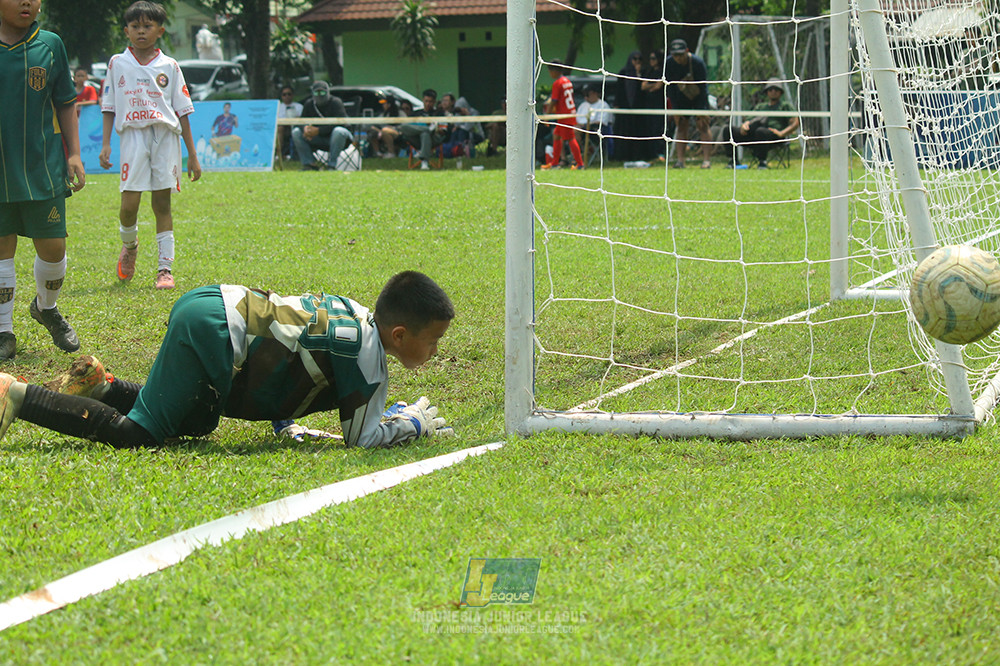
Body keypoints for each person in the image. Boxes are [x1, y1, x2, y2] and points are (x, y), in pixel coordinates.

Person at [0, 271, 456, 449]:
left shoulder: (357, 315)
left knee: (197, 419)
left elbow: (298, 370)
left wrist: (289, 422)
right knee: (137, 435)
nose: (435, 351)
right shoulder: (368, 358)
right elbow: (361, 439)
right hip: (216, 331)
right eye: (433, 340)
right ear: (400, 334)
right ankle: (17, 395)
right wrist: (413, 422)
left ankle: (103, 385)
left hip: (213, 305)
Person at [0, 0, 86, 361]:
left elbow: (65, 101)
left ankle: (46, 307)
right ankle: (4, 331)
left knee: (53, 250)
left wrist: (74, 153)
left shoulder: (51, 44)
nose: (27, 2)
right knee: (2, 251)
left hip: (42, 167)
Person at [99, 1, 202, 292]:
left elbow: (182, 112)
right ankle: (130, 247)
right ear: (126, 31)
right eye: (135, 26)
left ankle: (164, 269)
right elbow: (108, 106)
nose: (141, 31)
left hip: (165, 138)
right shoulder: (117, 63)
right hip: (132, 137)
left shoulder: (170, 66)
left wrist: (192, 155)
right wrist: (106, 143)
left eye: (147, 26)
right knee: (129, 206)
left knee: (161, 204)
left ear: (160, 30)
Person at [720, 78, 800, 169]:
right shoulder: (760, 106)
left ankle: (762, 162)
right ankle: (733, 161)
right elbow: (749, 120)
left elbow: (795, 123)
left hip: (773, 135)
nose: (773, 91)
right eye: (770, 89)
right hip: (754, 134)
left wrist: (782, 133)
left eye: (776, 89)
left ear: (780, 92)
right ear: (767, 92)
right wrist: (744, 125)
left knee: (761, 131)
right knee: (728, 129)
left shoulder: (785, 106)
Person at [664, 38, 713, 169]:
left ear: (687, 51)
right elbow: (670, 87)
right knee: (681, 126)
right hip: (680, 98)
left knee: (703, 125)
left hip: (698, 97)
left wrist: (702, 110)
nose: (678, 58)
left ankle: (706, 160)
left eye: (680, 54)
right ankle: (681, 161)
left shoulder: (697, 63)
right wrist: (675, 109)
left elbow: (703, 87)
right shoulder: (669, 64)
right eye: (675, 55)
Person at [290, 80, 354, 171]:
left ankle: (331, 165)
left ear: (328, 92)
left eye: (323, 92)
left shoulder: (336, 102)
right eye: (316, 92)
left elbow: (341, 123)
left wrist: (318, 130)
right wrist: (305, 129)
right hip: (317, 138)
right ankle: (309, 164)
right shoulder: (309, 104)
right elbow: (301, 121)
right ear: (312, 93)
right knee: (296, 132)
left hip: (339, 138)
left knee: (338, 131)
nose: (320, 95)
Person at [540, 60, 583, 170]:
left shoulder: (557, 83)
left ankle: (580, 164)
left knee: (570, 138)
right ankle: (554, 164)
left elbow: (554, 101)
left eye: (550, 71)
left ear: (554, 71)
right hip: (570, 113)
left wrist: (547, 116)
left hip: (564, 115)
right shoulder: (567, 81)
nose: (550, 74)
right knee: (556, 135)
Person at [398, 88, 446, 170]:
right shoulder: (415, 113)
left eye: (430, 102)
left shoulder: (439, 114)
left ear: (434, 102)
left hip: (433, 139)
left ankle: (424, 161)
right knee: (403, 127)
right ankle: (428, 129)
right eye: (426, 101)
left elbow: (443, 132)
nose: (428, 104)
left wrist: (433, 126)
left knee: (425, 134)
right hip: (416, 139)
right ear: (423, 100)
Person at [614, 51, 649, 162]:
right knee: (624, 131)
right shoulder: (623, 72)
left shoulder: (644, 72)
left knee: (638, 132)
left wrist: (638, 74)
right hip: (625, 108)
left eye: (640, 59)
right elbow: (619, 91)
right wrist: (616, 105)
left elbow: (643, 90)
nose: (637, 62)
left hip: (638, 108)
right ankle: (623, 156)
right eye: (635, 59)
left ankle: (638, 155)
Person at [575, 85, 615, 161]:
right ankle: (577, 154)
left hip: (596, 130)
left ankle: (579, 156)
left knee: (575, 132)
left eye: (587, 95)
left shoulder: (603, 105)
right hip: (582, 128)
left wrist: (586, 125)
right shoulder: (583, 105)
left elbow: (602, 122)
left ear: (595, 93)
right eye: (584, 95)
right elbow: (577, 119)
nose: (585, 97)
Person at [368, 92, 407, 158]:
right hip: (382, 132)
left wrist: (393, 128)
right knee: (372, 131)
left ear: (389, 104)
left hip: (398, 133)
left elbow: (405, 125)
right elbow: (376, 122)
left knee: (385, 130)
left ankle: (391, 153)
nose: (383, 105)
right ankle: (378, 153)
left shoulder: (400, 113)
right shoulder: (384, 115)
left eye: (384, 104)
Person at [277, 85, 303, 160]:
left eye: (289, 94)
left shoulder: (299, 106)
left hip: (296, 127)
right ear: (281, 96)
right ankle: (279, 153)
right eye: (284, 94)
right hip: (281, 130)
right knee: (280, 128)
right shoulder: (278, 107)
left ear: (293, 95)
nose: (287, 96)